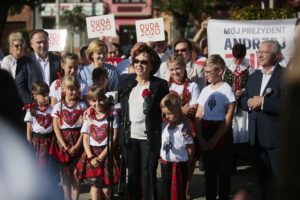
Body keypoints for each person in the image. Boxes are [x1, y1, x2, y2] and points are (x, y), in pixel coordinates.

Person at [117, 44, 169, 200]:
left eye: (144, 62)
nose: (139, 64)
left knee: (148, 174)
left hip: (149, 138)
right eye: (136, 61)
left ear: (152, 65)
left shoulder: (159, 85)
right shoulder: (126, 80)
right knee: (132, 175)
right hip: (129, 137)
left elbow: (166, 110)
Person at [241, 40, 285, 200]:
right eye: (259, 51)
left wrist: (263, 102)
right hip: (257, 140)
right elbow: (244, 99)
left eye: (264, 52)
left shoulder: (285, 75)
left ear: (276, 55)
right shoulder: (254, 76)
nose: (259, 55)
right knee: (264, 182)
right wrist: (247, 102)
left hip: (277, 141)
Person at [195, 54, 236, 200]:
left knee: (223, 173)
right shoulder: (205, 90)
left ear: (219, 71)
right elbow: (199, 115)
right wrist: (201, 138)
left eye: (209, 72)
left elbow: (228, 117)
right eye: (205, 72)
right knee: (209, 173)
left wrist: (215, 139)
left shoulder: (227, 89)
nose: (206, 75)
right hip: (206, 130)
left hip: (221, 131)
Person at [75, 86, 120, 200]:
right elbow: (85, 138)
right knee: (95, 187)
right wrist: (91, 157)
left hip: (106, 153)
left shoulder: (111, 115)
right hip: (92, 154)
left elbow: (114, 138)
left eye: (100, 99)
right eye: (94, 101)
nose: (97, 103)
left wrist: (101, 157)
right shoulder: (89, 116)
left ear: (104, 99)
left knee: (106, 190)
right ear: (89, 101)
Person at [166, 54, 200, 199]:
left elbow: (194, 108)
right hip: (171, 128)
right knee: (173, 159)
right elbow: (164, 108)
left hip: (187, 127)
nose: (175, 73)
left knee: (189, 159)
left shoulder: (193, 86)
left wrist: (180, 110)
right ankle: (174, 186)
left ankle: (187, 186)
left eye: (177, 69)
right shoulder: (167, 86)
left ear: (184, 67)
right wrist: (182, 110)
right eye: (172, 70)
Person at [49, 75, 87, 200]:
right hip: (63, 141)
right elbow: (56, 127)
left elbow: (85, 128)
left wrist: (78, 145)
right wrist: (64, 145)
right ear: (64, 89)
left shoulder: (82, 105)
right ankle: (67, 197)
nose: (74, 92)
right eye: (70, 89)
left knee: (77, 173)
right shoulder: (58, 106)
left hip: (78, 140)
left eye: (76, 88)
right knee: (65, 174)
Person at [223, 43, 253, 173]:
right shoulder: (227, 67)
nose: (237, 61)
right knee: (231, 130)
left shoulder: (250, 68)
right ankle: (230, 163)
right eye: (236, 57)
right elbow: (223, 83)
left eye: (239, 58)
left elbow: (253, 85)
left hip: (242, 104)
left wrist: (244, 90)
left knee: (241, 131)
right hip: (229, 103)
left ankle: (239, 159)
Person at [160, 93, 195, 200]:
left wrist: (187, 161)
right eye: (165, 113)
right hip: (165, 163)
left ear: (178, 111)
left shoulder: (184, 128)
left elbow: (191, 148)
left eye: (169, 113)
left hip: (179, 165)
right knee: (166, 190)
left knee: (179, 191)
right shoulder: (165, 124)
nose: (166, 116)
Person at [15, 29, 61, 105]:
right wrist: (31, 104)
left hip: (54, 107)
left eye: (45, 42)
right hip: (34, 108)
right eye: (39, 42)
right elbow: (20, 87)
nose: (42, 45)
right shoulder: (24, 61)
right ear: (31, 44)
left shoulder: (57, 60)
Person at [24, 81, 53, 169]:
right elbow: (29, 130)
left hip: (50, 141)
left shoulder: (51, 109)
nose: (46, 97)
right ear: (35, 95)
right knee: (39, 166)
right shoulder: (31, 110)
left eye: (47, 95)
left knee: (50, 165)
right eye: (43, 95)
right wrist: (29, 143)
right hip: (37, 142)